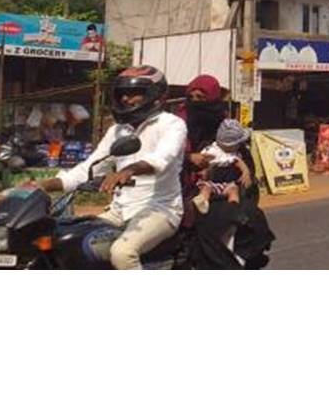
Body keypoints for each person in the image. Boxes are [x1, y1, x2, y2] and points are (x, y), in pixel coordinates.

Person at [38, 66, 186, 270]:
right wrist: (43, 185)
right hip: (119, 210)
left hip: (161, 209)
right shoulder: (118, 130)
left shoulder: (171, 124)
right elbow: (90, 168)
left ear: (157, 96)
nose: (126, 98)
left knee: (122, 254)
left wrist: (128, 171)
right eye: (122, 93)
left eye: (135, 93)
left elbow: (162, 158)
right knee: (68, 242)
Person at [191, 119, 253, 215]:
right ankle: (202, 201)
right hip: (210, 182)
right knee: (206, 188)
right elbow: (203, 161)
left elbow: (240, 163)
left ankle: (233, 207)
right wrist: (204, 171)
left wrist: (246, 173)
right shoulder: (212, 150)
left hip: (227, 184)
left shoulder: (233, 154)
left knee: (233, 190)